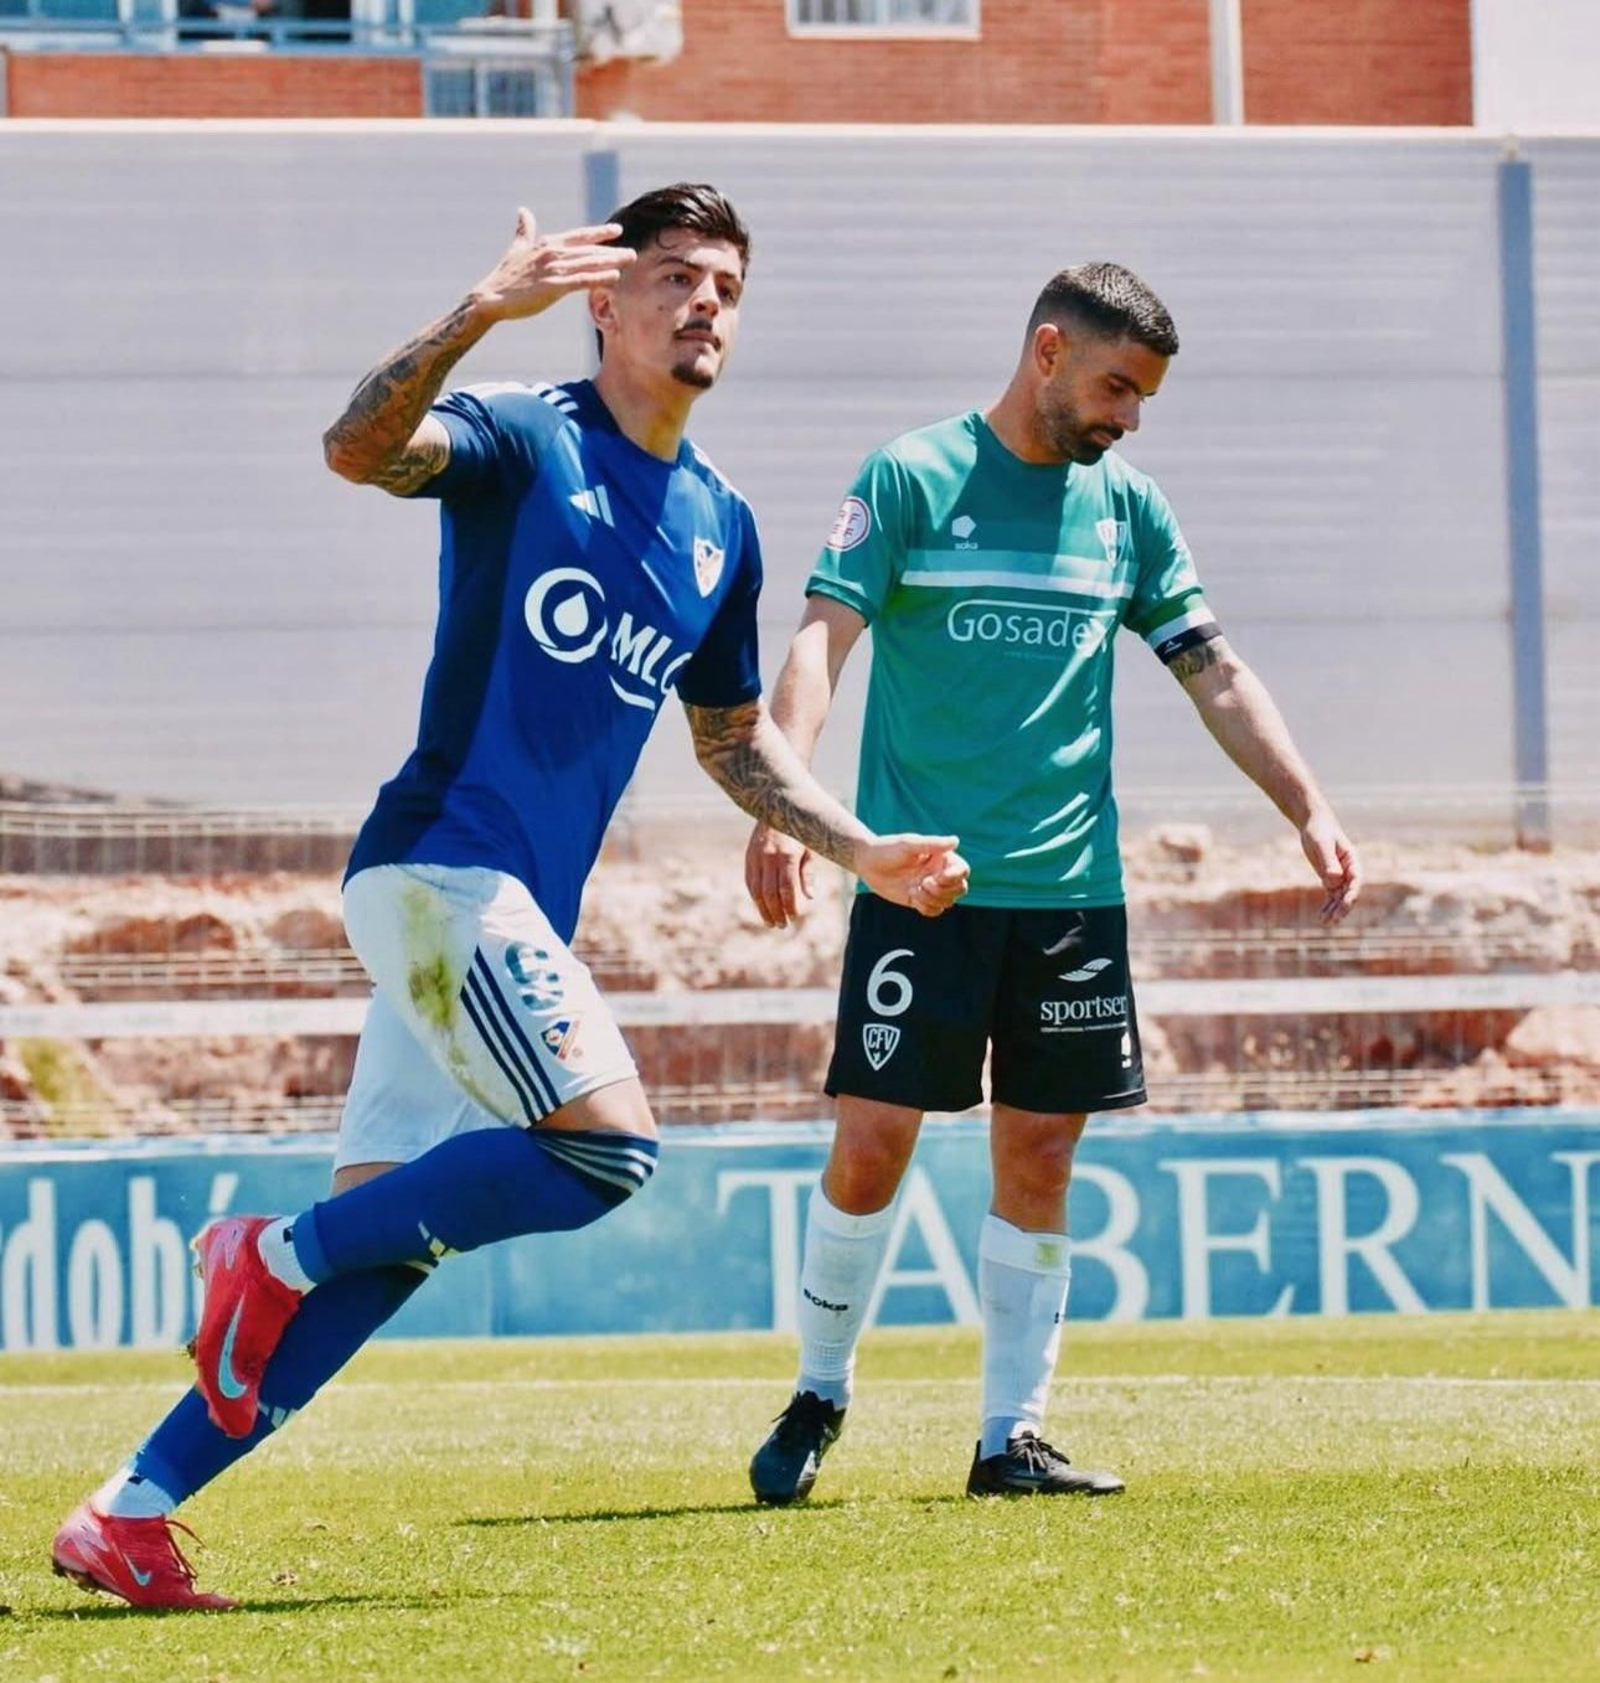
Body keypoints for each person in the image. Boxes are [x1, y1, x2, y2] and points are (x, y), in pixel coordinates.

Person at [50, 183, 968, 1611]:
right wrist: (480, 311)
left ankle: (131, 1508)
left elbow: (731, 739)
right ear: (604, 302)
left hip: (492, 914)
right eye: (673, 275)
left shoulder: (721, 524)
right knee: (606, 1151)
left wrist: (861, 847)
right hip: (439, 870)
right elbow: (356, 446)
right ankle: (264, 1250)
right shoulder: (528, 432)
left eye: (725, 281)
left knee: (395, 1242)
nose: (705, 300)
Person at [745, 261, 1361, 1505]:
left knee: (1040, 1155)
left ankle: (1007, 1439)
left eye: (1141, 399)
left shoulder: (1129, 509)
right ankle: (818, 1393)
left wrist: (1306, 802)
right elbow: (821, 637)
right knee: (871, 1147)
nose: (1128, 417)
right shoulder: (910, 477)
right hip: (922, 885)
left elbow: (1214, 669)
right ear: (1045, 352)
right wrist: (787, 803)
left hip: (1072, 897)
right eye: (1116, 387)